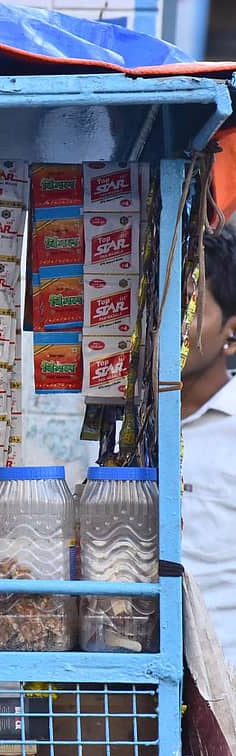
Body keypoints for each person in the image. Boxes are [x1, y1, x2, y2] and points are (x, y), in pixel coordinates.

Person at [181, 224, 236, 666]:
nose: (178, 325)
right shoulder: (124, 429)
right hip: (138, 674)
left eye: (196, 308)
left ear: (231, 334)